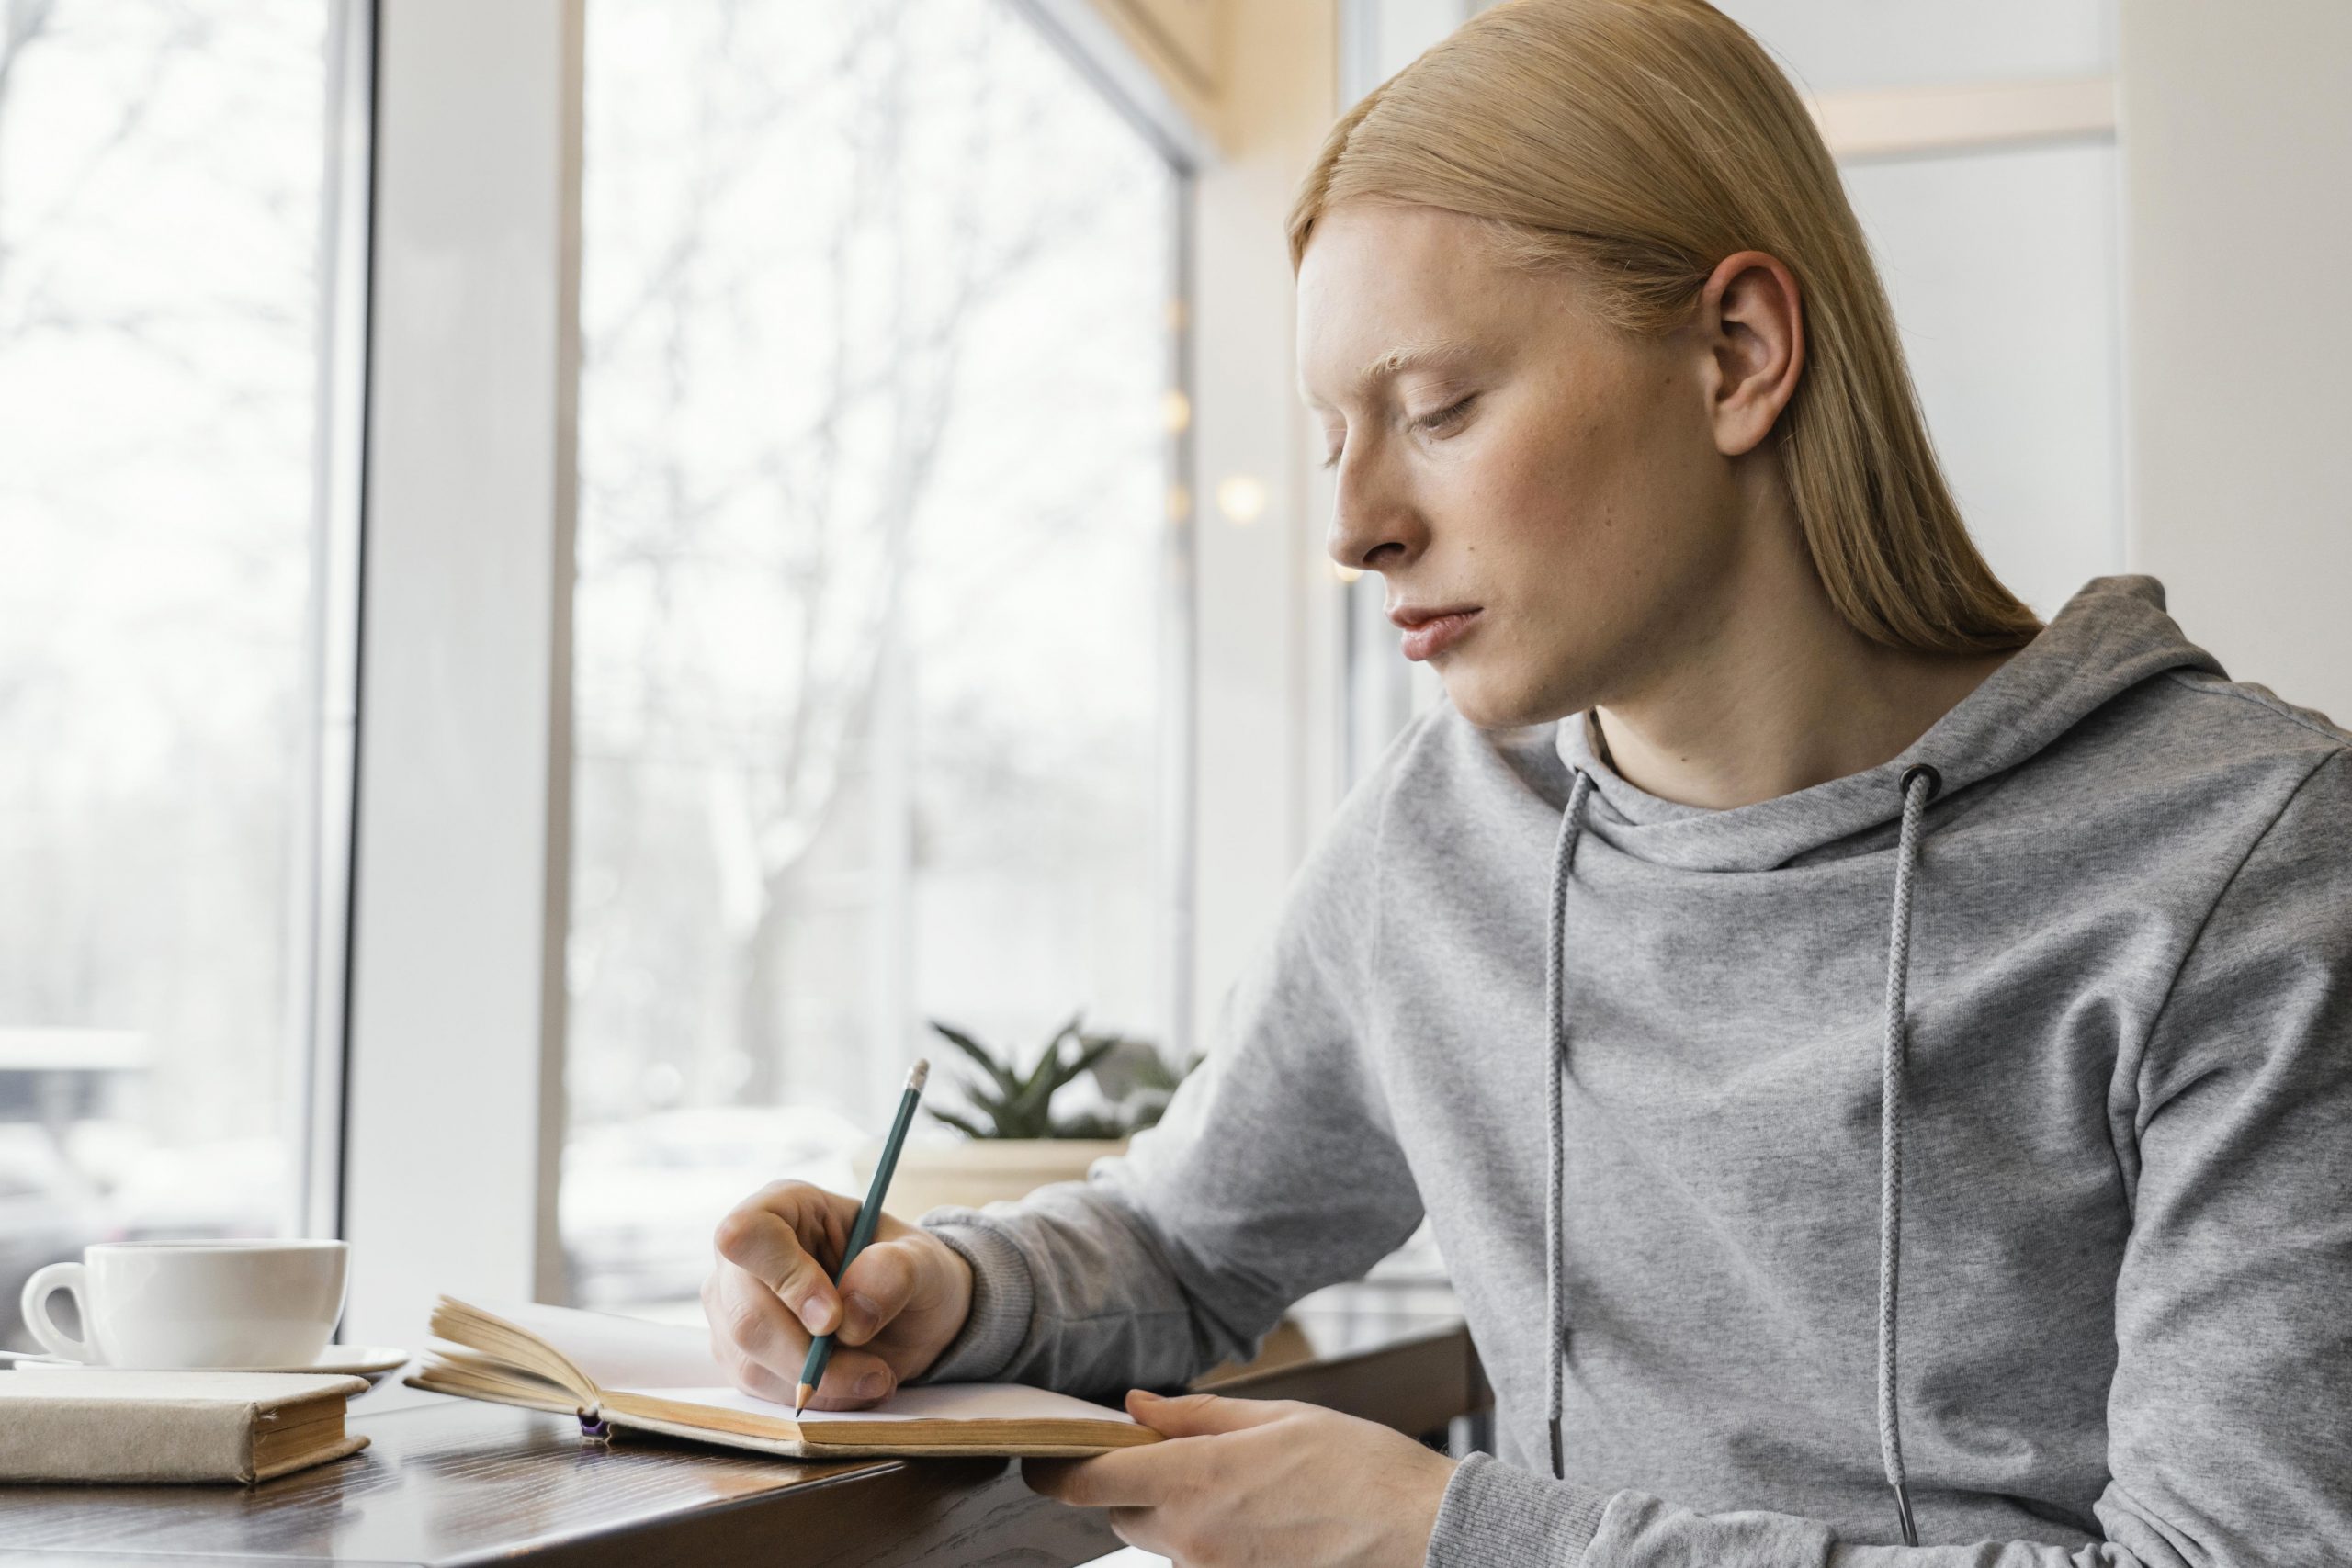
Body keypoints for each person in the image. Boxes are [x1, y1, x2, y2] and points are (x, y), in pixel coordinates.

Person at [702, 0, 2352, 1562]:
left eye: (1437, 408)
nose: (1355, 527)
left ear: (1737, 354)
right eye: (1336, 437)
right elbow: (1184, 1240)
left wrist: (1445, 1538)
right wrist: (939, 1291)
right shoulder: (1446, 833)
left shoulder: (2242, 867)